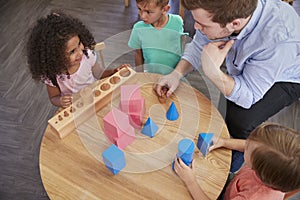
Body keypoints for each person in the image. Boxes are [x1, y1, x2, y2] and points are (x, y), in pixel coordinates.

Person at [154, 0, 300, 140]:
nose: (196, 27)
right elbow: (199, 45)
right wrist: (176, 74)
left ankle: (235, 158)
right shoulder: (222, 13)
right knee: (226, 106)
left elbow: (248, 96)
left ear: (235, 23)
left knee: (240, 122)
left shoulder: (278, 39)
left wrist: (213, 72)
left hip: (288, 75)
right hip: (251, 60)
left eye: (203, 25)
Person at [27, 10, 130, 108]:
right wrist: (60, 100)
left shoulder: (87, 56)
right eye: (72, 51)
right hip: (77, 107)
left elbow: (99, 74)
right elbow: (54, 97)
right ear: (54, 57)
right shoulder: (52, 75)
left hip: (95, 97)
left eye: (79, 43)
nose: (80, 52)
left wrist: (114, 71)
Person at [174, 123, 300, 200]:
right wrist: (224, 142)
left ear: (258, 168)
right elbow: (249, 146)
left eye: (248, 147)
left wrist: (190, 181)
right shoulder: (274, 169)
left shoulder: (252, 197)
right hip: (235, 185)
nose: (246, 144)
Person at [128, 0, 186, 75]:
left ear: (165, 9)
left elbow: (182, 43)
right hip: (151, 75)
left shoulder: (177, 21)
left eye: (148, 12)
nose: (142, 16)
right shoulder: (138, 28)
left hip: (174, 76)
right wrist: (140, 75)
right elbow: (138, 54)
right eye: (139, 9)